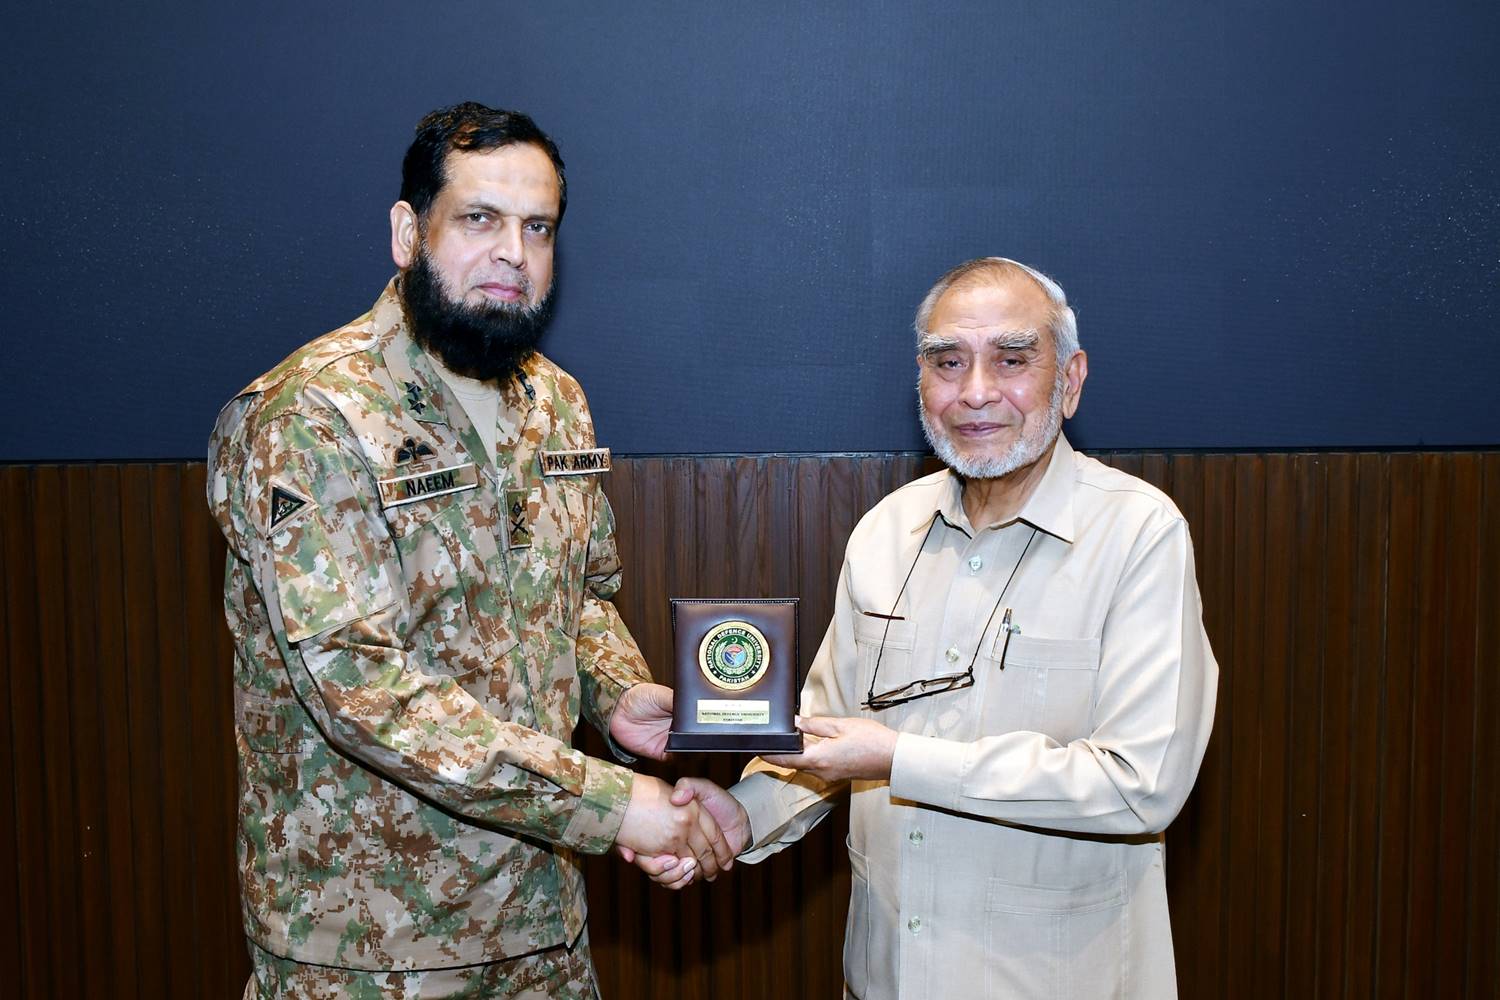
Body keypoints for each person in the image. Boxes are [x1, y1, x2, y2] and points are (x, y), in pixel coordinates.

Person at [206, 102, 733, 1000]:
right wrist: (615, 807)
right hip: (371, 946)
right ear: (409, 232)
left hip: (543, 920)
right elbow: (360, 687)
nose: (513, 254)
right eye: (479, 219)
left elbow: (581, 594)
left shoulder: (555, 401)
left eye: (538, 228)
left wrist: (618, 695)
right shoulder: (310, 416)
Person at [630, 257, 1218, 999]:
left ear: (1069, 382)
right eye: (948, 362)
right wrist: (740, 818)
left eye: (1011, 360)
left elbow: (1142, 785)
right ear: (920, 383)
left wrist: (900, 758)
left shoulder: (1139, 535)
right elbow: (826, 734)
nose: (975, 391)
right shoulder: (885, 532)